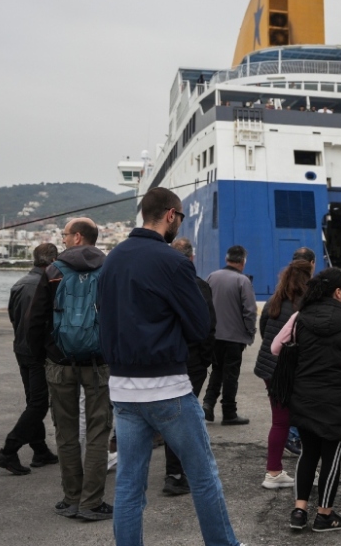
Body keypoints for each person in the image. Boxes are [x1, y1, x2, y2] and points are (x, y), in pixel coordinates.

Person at [97, 187, 239, 546]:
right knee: (203, 477)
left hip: (123, 390)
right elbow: (198, 325)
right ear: (171, 215)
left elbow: (104, 317)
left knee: (129, 485)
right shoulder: (173, 262)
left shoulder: (112, 259)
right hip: (168, 389)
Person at [26, 218, 111, 521]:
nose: (62, 240)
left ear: (77, 237)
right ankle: (92, 502)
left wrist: (42, 358)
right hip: (100, 363)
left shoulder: (53, 271)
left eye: (64, 235)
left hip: (60, 363)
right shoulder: (110, 270)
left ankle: (71, 499)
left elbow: (35, 321)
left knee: (66, 432)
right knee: (99, 432)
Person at [270, 268, 341, 533]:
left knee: (308, 453)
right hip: (337, 397)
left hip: (305, 395)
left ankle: (299, 511)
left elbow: (276, 347)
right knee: (332, 457)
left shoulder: (300, 316)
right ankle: (324, 515)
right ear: (337, 292)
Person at [0, 243, 60, 475]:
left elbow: (14, 317)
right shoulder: (44, 285)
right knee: (39, 404)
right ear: (51, 262)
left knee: (33, 401)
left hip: (20, 348)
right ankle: (8, 450)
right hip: (37, 351)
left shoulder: (19, 283)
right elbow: (42, 322)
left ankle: (40, 450)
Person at [161, 237, 218, 497]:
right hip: (191, 361)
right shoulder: (199, 286)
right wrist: (205, 360)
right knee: (181, 415)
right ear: (192, 258)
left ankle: (175, 471)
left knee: (169, 413)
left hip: (166, 359)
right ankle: (175, 474)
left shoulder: (159, 285)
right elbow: (208, 327)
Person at [254, 257, 313, 490]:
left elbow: (264, 331)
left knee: (279, 421)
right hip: (295, 371)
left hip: (270, 368)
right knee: (307, 421)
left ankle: (274, 471)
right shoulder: (306, 305)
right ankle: (308, 471)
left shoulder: (273, 301)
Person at [202, 245, 257, 426]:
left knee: (216, 371)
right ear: (243, 262)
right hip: (234, 337)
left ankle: (208, 404)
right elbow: (249, 311)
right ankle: (229, 412)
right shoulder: (242, 281)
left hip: (215, 336)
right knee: (231, 374)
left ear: (227, 260)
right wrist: (250, 332)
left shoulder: (211, 277)